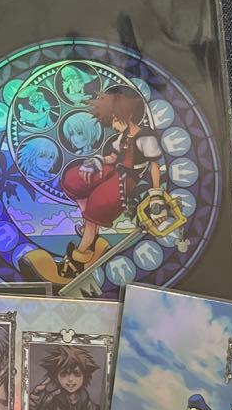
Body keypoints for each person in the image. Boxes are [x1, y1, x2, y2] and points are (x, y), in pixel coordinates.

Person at [58, 87, 163, 278]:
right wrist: (97, 161)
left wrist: (156, 195)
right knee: (74, 177)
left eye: (114, 119)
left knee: (99, 203)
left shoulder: (146, 137)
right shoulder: (122, 136)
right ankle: (89, 225)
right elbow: (113, 157)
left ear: (127, 114)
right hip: (113, 170)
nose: (113, 125)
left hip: (127, 180)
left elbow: (154, 165)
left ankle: (80, 255)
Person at [28, 346, 102, 410]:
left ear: (85, 375)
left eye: (76, 373)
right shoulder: (51, 403)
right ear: (56, 377)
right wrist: (38, 408)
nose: (70, 379)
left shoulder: (92, 408)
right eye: (64, 374)